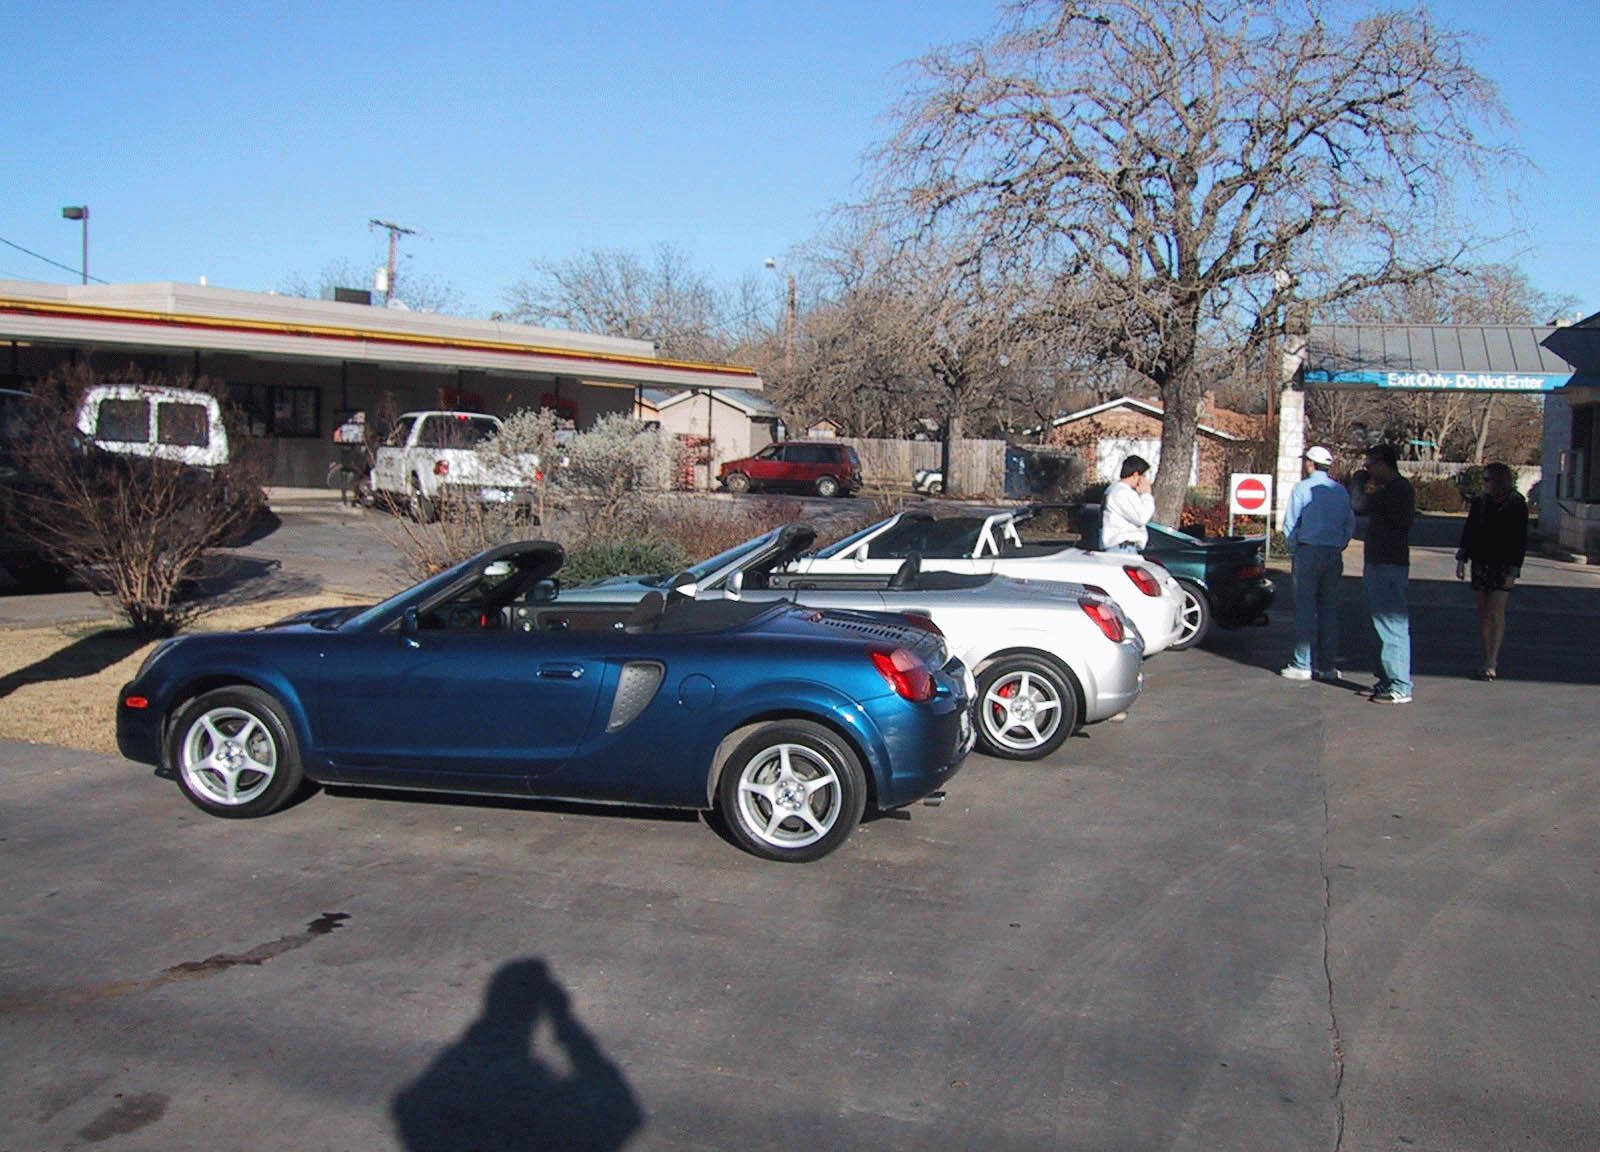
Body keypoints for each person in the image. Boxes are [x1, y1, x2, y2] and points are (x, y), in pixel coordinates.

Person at [1281, 445, 1355, 681]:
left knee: (1305, 609)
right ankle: (1327, 665)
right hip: (1332, 553)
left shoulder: (1302, 488)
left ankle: (1303, 663)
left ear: (1310, 464)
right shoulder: (1340, 491)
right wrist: (1339, 543)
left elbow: (1291, 523)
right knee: (1329, 609)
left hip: (1308, 550)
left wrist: (1293, 549)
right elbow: (1349, 523)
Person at [1350, 443, 1415, 704]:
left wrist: (1358, 482)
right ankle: (1386, 679)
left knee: (1391, 623)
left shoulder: (1398, 489)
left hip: (1389, 564)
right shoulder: (1389, 490)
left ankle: (1400, 684)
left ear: (1383, 463)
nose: (1367, 469)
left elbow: (1359, 504)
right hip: (1379, 562)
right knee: (1376, 624)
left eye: (1371, 464)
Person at [1454, 462, 1528, 680]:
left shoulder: (1516, 504)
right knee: (1484, 610)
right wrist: (1461, 559)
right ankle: (1487, 650)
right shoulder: (1481, 503)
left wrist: (1514, 570)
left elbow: (1520, 539)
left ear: (1499, 480)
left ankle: (1492, 659)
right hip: (1480, 560)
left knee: (1497, 609)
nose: (1485, 484)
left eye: (1488, 479)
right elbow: (1469, 531)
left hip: (1504, 563)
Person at [1101, 455, 1155, 553]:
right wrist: (1146, 495)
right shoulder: (1122, 492)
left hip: (1124, 547)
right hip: (1123, 547)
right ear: (1135, 475)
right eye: (1143, 476)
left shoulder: (1116, 490)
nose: (1145, 480)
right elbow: (1141, 518)